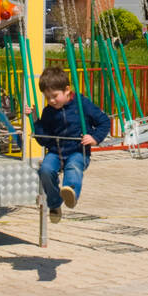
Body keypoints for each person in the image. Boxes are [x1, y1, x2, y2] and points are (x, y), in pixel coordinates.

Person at [26, 66, 111, 223]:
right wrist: (35, 120)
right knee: (45, 170)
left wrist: (94, 138)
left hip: (78, 151)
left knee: (74, 167)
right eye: (47, 97)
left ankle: (70, 191)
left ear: (67, 90)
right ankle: (54, 203)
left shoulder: (81, 104)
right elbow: (43, 139)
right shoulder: (49, 112)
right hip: (56, 151)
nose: (51, 101)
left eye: (55, 96)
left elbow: (104, 122)